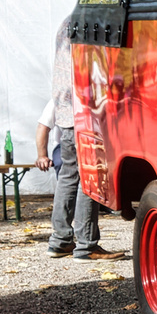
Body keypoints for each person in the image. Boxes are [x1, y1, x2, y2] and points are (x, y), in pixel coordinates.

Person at [45, 16, 123, 260]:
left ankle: (60, 240)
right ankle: (87, 244)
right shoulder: (90, 24)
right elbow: (99, 68)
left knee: (69, 176)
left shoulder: (66, 22)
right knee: (91, 175)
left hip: (66, 112)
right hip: (84, 111)